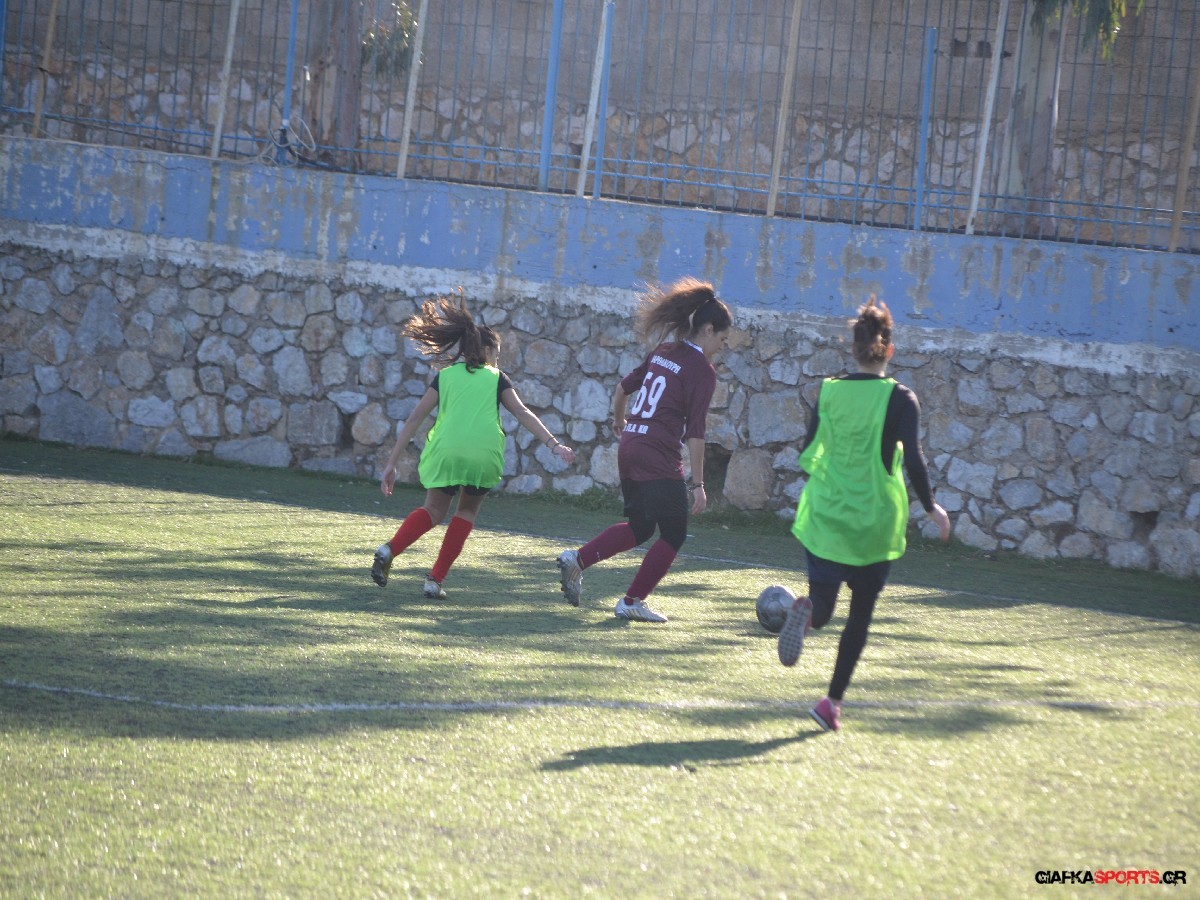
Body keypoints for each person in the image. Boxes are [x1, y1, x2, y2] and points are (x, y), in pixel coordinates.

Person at [777, 295, 950, 732]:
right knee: (859, 617)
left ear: (852, 349)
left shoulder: (830, 391)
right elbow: (914, 460)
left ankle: (808, 614)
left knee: (824, 605)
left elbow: (808, 453)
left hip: (828, 516)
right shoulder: (901, 399)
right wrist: (931, 507)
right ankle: (830, 704)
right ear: (888, 349)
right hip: (874, 522)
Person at [554, 277, 732, 623]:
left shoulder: (664, 351)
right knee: (675, 532)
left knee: (641, 527)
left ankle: (578, 560)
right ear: (708, 330)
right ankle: (632, 601)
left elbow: (623, 388)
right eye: (722, 340)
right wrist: (699, 484)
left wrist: (619, 421)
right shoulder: (702, 370)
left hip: (631, 444)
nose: (722, 347)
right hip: (656, 452)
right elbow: (696, 432)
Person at [372, 294, 575, 596]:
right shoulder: (497, 378)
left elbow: (415, 418)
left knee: (433, 509)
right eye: (497, 354)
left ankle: (390, 549)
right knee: (465, 512)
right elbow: (522, 412)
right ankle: (434, 580)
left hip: (446, 451)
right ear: (488, 351)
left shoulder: (445, 377)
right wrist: (554, 444)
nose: (497, 360)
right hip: (482, 454)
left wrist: (391, 464)